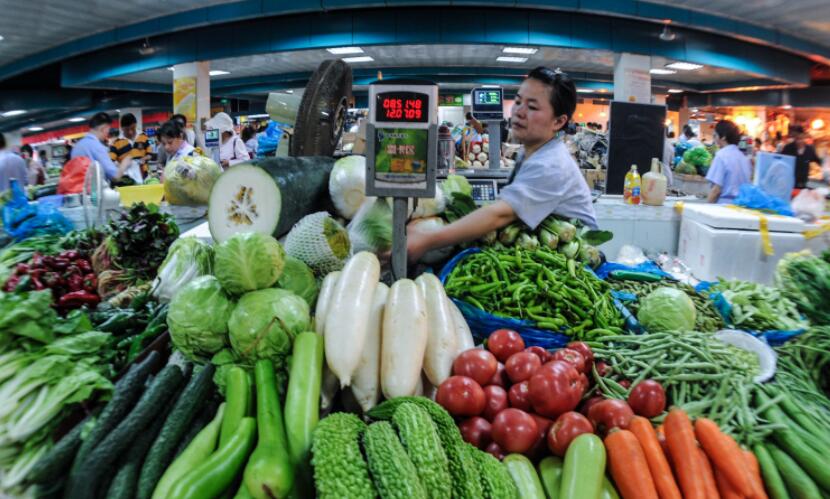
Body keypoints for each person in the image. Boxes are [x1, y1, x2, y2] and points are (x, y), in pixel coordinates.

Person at [407, 67, 597, 263]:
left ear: (558, 121)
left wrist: (426, 240)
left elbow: (499, 215)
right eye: (518, 101)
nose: (518, 112)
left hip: (571, 266)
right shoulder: (531, 151)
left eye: (532, 107)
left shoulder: (552, 164)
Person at [70, 112, 131, 182]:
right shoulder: (96, 146)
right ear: (103, 129)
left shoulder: (77, 146)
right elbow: (115, 176)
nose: (108, 133)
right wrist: (125, 163)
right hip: (93, 191)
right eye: (108, 129)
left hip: (78, 189)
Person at [705, 120, 752, 204]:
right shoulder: (743, 158)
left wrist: (705, 209)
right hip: (742, 206)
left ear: (723, 137)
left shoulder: (721, 155)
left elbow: (716, 189)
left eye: (715, 135)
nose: (714, 139)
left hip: (724, 207)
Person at [109, 113, 150, 183]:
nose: (130, 132)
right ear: (122, 128)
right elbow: (110, 163)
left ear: (136, 125)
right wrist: (121, 165)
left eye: (133, 128)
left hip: (145, 177)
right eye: (127, 130)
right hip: (127, 181)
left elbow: (150, 154)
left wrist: (144, 159)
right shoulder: (116, 143)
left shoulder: (143, 136)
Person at [781, 125, 821, 189]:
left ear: (804, 137)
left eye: (801, 138)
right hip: (789, 182)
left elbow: (817, 160)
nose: (799, 141)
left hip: (804, 182)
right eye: (797, 139)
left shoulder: (809, 149)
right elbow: (781, 162)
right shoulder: (788, 148)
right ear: (794, 138)